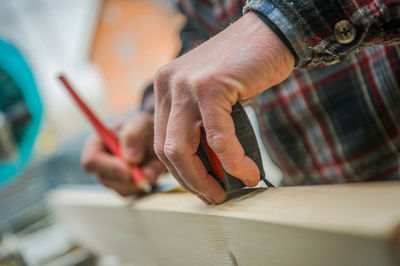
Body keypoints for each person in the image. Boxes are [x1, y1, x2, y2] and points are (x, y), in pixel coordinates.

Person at [82, 0, 400, 204]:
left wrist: (281, 26)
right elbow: (206, 27)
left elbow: (250, 36)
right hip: (312, 210)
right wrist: (162, 115)